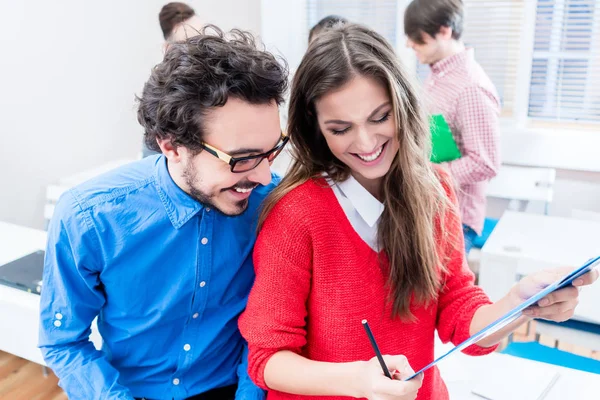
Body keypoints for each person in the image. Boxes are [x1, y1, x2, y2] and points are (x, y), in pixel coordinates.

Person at [238, 23, 598, 400]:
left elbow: (461, 318)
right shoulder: (296, 213)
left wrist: (519, 305)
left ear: (403, 107)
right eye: (341, 128)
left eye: (380, 117)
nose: (365, 142)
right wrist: (360, 381)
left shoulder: (434, 188)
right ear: (316, 129)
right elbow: (267, 360)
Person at [39, 26, 288, 400]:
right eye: (242, 158)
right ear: (172, 146)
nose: (264, 175)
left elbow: (268, 326)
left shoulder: (273, 201)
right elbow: (63, 342)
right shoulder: (89, 217)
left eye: (272, 151)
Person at [404, 0, 501, 254]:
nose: (409, 44)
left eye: (418, 39)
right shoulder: (439, 75)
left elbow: (486, 162)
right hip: (429, 210)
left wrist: (430, 174)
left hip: (455, 219)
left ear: (444, 31)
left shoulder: (471, 87)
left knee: (444, 294)